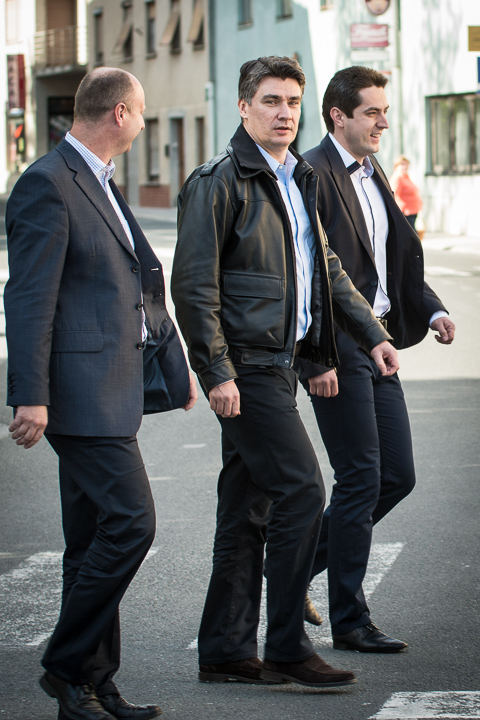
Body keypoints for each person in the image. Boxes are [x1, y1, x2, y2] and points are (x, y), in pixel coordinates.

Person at [171, 56, 401, 688]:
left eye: (293, 102)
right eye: (271, 101)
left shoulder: (296, 176)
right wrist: (216, 371)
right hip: (247, 368)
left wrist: (373, 335)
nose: (284, 113)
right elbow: (193, 286)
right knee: (302, 492)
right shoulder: (220, 181)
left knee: (246, 509)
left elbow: (324, 266)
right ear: (244, 107)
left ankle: (225, 650)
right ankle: (287, 646)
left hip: (281, 363)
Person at [4, 67, 197, 720]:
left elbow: (142, 286)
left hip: (112, 387)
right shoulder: (48, 182)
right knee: (133, 523)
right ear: (119, 113)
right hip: (78, 394)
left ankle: (92, 688)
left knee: (89, 544)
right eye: (140, 112)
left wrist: (174, 365)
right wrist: (29, 393)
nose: (142, 122)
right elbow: (29, 297)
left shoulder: (101, 181)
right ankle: (64, 666)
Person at [300, 66, 455, 652]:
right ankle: (350, 620)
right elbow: (310, 276)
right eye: (372, 112)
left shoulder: (373, 171)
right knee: (361, 477)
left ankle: (288, 566)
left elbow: (392, 259)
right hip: (339, 346)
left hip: (379, 342)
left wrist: (432, 309)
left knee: (397, 476)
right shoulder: (311, 174)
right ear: (338, 115)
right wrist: (316, 358)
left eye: (385, 112)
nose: (384, 122)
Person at [389, 155, 423, 230]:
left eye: (406, 164)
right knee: (411, 235)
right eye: (402, 164)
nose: (405, 167)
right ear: (396, 166)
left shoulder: (405, 177)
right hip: (405, 213)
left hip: (412, 212)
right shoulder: (397, 177)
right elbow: (393, 195)